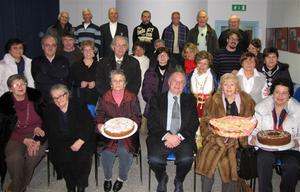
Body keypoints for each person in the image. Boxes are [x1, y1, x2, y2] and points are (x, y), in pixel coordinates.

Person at [196, 73, 255, 192]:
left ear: (237, 86)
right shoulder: (213, 100)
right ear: (221, 86)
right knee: (207, 160)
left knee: (230, 162)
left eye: (232, 84)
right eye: (225, 84)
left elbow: (251, 121)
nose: (228, 87)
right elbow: (205, 122)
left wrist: (242, 136)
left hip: (237, 141)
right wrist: (212, 134)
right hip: (215, 139)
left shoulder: (246, 100)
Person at [147, 71, 199, 192]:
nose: (178, 84)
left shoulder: (190, 100)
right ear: (169, 83)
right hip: (161, 136)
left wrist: (179, 137)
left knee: (187, 159)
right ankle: (161, 178)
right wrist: (167, 136)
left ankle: (179, 180)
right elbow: (152, 123)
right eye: (175, 80)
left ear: (184, 85)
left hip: (182, 137)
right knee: (154, 160)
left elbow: (194, 123)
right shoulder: (157, 99)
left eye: (181, 82)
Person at [249, 78, 300, 192]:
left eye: (284, 93)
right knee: (263, 160)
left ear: (289, 95)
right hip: (266, 147)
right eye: (277, 92)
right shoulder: (261, 108)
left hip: (289, 147)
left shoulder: (298, 110)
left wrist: (298, 141)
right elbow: (254, 128)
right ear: (272, 93)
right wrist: (252, 137)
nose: (280, 96)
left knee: (292, 166)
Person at [43, 84, 95, 192]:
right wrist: (37, 140)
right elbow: (46, 128)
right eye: (55, 97)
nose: (59, 99)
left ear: (67, 94)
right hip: (61, 140)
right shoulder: (49, 109)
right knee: (64, 159)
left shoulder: (79, 104)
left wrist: (80, 141)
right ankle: (70, 186)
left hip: (81, 137)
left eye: (62, 95)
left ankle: (81, 186)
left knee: (83, 158)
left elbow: (89, 123)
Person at [96, 70, 141, 192]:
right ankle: (107, 178)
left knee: (124, 151)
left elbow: (137, 116)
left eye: (120, 81)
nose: (118, 83)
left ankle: (121, 178)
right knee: (107, 152)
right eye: (115, 81)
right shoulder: (104, 97)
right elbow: (99, 114)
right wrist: (99, 124)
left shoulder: (132, 97)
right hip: (110, 132)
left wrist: (131, 126)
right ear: (110, 83)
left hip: (128, 133)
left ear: (125, 83)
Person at [0, 74, 46, 192]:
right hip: (14, 136)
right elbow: (3, 129)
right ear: (10, 88)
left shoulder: (36, 98)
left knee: (32, 157)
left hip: (37, 134)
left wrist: (38, 128)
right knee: (14, 158)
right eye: (16, 84)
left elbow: (48, 119)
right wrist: (23, 140)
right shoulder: (4, 104)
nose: (20, 86)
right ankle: (19, 185)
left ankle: (16, 188)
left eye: (23, 83)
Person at [31, 35, 69, 102]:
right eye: (47, 45)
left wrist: (46, 73)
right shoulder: (36, 61)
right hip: (43, 99)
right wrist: (58, 76)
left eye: (53, 45)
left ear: (56, 47)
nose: (50, 47)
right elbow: (38, 78)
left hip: (61, 98)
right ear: (43, 47)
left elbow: (65, 75)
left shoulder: (63, 60)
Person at [142, 47, 176, 118]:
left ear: (168, 57)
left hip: (168, 106)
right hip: (152, 106)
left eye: (165, 55)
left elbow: (176, 90)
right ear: (157, 58)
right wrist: (153, 101)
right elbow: (145, 90)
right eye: (160, 55)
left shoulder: (174, 73)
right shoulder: (150, 72)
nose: (162, 57)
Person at [70, 40, 99, 105]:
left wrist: (95, 83)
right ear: (82, 51)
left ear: (93, 50)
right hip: (79, 100)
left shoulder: (100, 66)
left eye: (90, 49)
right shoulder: (75, 65)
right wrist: (79, 83)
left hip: (96, 100)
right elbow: (70, 81)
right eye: (85, 50)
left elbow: (104, 81)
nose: (88, 52)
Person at [132, 41, 150, 113]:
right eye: (136, 49)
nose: (138, 51)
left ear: (144, 50)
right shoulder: (130, 59)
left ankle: (143, 123)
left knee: (143, 107)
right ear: (134, 51)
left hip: (143, 86)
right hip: (132, 85)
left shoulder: (147, 59)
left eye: (140, 49)